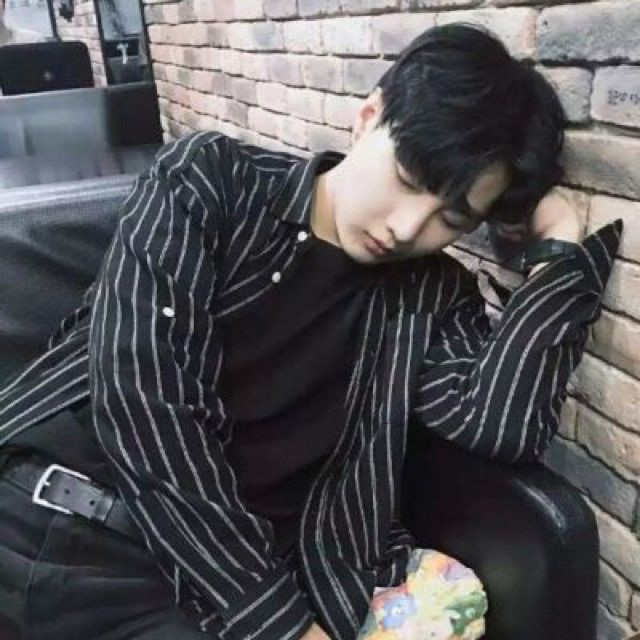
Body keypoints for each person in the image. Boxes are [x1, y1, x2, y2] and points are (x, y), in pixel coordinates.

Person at [0, 22, 623, 640]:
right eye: (408, 178)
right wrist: (284, 625)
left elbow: (500, 424)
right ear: (368, 117)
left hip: (199, 595)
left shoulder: (427, 293)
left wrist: (558, 251)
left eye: (452, 219)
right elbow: (145, 402)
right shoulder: (212, 182)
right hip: (56, 524)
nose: (408, 228)